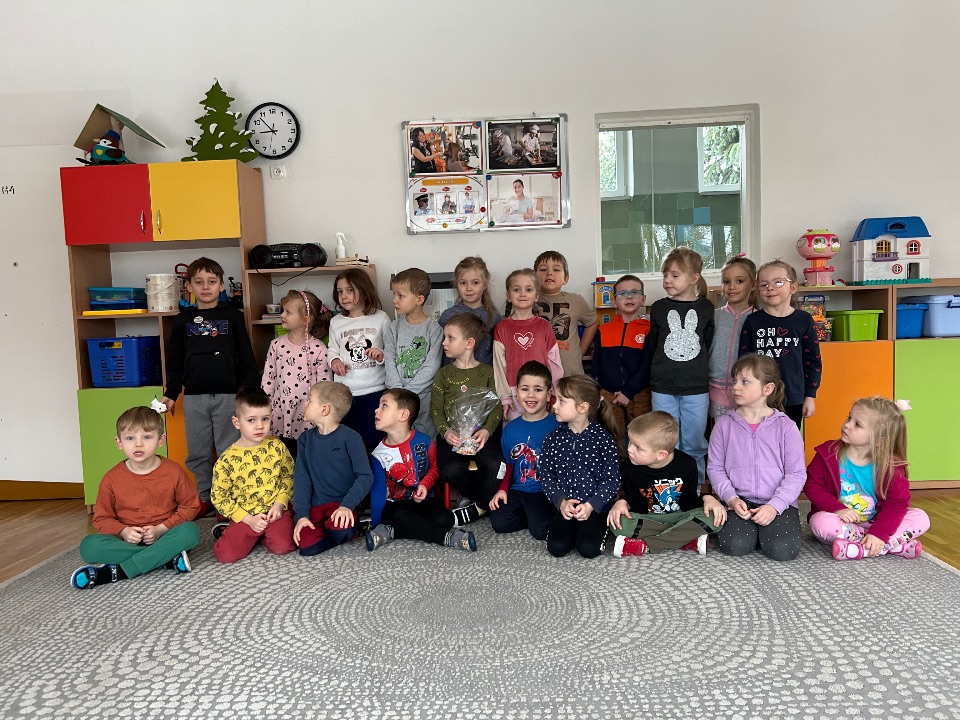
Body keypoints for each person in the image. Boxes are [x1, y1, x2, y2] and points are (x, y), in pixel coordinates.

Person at [160, 257, 259, 517]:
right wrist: (172, 392)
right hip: (194, 397)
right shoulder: (182, 321)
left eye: (212, 281)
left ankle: (228, 500)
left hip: (228, 396)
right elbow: (174, 360)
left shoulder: (232, 316)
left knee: (228, 450)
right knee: (199, 452)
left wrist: (250, 390)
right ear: (189, 287)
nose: (206, 287)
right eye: (199, 282)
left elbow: (245, 354)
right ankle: (205, 497)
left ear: (221, 285)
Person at [71, 407, 200, 590]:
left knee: (190, 532)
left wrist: (161, 529)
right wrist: (124, 531)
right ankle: (163, 559)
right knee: (89, 546)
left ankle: (120, 571)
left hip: (165, 535)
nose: (138, 444)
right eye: (130, 438)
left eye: (147, 437)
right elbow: (101, 518)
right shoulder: (111, 478)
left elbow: (190, 506)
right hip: (126, 541)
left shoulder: (174, 472)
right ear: (119, 442)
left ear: (161, 440)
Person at [805, 397, 929, 561]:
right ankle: (891, 545)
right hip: (842, 522)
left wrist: (879, 533)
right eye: (849, 418)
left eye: (857, 424)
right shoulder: (828, 453)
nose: (847, 425)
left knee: (921, 518)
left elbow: (897, 505)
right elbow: (812, 485)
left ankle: (862, 549)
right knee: (819, 521)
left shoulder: (891, 467)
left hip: (877, 522)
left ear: (878, 439)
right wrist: (837, 508)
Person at [707, 355, 805, 561]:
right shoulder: (723, 425)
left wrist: (774, 506)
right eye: (735, 380)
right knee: (734, 545)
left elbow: (796, 473)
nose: (735, 387)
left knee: (783, 550)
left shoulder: (786, 426)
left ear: (767, 389)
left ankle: (765, 531)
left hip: (778, 502)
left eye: (745, 381)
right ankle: (754, 532)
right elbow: (715, 468)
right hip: (739, 502)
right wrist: (731, 499)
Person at [367, 388, 477, 552]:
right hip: (397, 506)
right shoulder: (378, 454)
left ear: (403, 415)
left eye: (384, 405)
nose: (376, 410)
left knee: (445, 519)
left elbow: (434, 469)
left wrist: (425, 484)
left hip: (424, 502)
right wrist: (377, 525)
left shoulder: (424, 441)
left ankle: (393, 531)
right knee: (397, 516)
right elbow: (378, 491)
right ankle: (447, 538)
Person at [608, 412, 726, 557]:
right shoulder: (627, 468)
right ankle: (686, 538)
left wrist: (708, 498)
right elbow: (637, 504)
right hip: (650, 518)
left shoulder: (687, 464)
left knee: (716, 516)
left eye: (638, 447)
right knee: (617, 522)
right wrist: (622, 503)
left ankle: (647, 546)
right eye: (630, 441)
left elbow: (689, 502)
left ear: (661, 454)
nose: (629, 449)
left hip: (681, 515)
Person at [646, 247, 715, 489]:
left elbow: (706, 342)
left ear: (694, 278)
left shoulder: (706, 308)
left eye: (675, 275)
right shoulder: (658, 307)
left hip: (696, 387)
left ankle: (694, 488)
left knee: (694, 441)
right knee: (665, 440)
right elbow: (654, 344)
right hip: (663, 386)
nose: (667, 280)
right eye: (665, 275)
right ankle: (669, 488)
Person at [432, 312, 505, 526]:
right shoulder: (443, 374)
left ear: (469, 343)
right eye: (444, 337)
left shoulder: (488, 373)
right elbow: (436, 410)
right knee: (450, 469)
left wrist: (486, 431)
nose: (444, 343)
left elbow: (497, 407)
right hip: (453, 437)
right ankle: (481, 499)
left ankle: (477, 507)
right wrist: (446, 432)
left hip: (483, 436)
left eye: (450, 338)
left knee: (497, 465)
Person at [539, 375, 622, 559]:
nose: (554, 405)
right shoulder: (553, 438)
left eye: (562, 401)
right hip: (566, 507)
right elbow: (545, 475)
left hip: (596, 508)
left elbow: (612, 480)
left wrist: (592, 505)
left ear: (583, 407)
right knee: (557, 548)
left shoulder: (603, 439)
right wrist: (561, 502)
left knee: (588, 549)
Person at [210, 388, 296, 563]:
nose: (259, 426)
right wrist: (247, 519)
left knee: (283, 546)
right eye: (251, 420)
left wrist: (279, 504)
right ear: (237, 422)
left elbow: (288, 476)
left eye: (265, 419)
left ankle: (263, 535)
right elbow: (219, 496)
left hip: (275, 512)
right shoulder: (227, 460)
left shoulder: (277, 447)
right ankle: (233, 531)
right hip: (245, 515)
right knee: (226, 555)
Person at [292, 381, 374, 556]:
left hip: (342, 505)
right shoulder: (305, 440)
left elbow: (365, 476)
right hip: (316, 508)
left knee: (341, 531)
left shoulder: (351, 437)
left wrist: (347, 506)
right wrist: (302, 516)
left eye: (310, 400)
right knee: (306, 548)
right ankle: (337, 529)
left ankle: (349, 527)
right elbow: (301, 479)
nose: (305, 403)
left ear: (325, 410)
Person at [738, 260, 822, 430]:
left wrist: (810, 396)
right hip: (759, 397)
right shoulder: (752, 321)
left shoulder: (804, 320)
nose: (770, 288)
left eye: (778, 282)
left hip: (793, 397)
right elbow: (744, 362)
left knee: (787, 439)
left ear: (793, 287)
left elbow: (813, 362)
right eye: (764, 285)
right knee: (759, 439)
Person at [489, 361, 559, 540]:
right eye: (525, 389)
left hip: (543, 491)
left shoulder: (557, 426)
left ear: (549, 394)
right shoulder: (510, 429)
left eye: (538, 389)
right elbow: (508, 465)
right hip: (517, 489)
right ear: (517, 393)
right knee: (499, 522)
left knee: (540, 531)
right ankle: (531, 516)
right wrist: (502, 489)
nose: (531, 395)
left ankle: (537, 517)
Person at [261, 289, 333, 460]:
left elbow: (324, 385)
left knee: (306, 456)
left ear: (305, 319)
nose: (282, 315)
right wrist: (264, 407)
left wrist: (319, 412)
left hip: (307, 413)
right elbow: (268, 378)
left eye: (288, 312)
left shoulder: (319, 349)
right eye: (283, 310)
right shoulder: (276, 345)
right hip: (280, 410)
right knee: (282, 455)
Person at [327, 268, 391, 454]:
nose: (344, 296)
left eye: (349, 290)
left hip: (375, 392)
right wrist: (335, 361)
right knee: (350, 443)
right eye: (340, 291)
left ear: (363, 290)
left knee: (375, 441)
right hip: (345, 394)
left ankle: (377, 472)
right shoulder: (336, 322)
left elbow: (391, 350)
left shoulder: (381, 317)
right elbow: (332, 349)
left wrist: (380, 355)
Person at [493, 269, 564, 422]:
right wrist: (505, 397)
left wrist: (555, 394)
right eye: (516, 289)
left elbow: (554, 363)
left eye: (529, 289)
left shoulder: (544, 326)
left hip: (541, 391)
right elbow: (499, 365)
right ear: (508, 296)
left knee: (542, 431)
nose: (522, 294)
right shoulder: (502, 327)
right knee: (515, 431)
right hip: (513, 395)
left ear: (536, 296)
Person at [384, 268, 443, 438]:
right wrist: (398, 392)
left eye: (400, 296)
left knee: (424, 436)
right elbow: (389, 359)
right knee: (397, 435)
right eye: (394, 294)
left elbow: (431, 365)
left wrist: (409, 393)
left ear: (419, 299)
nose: (394, 300)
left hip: (423, 396)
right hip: (396, 396)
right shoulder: (393, 328)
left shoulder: (434, 329)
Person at [592, 274, 652, 429]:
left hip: (639, 394)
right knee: (612, 434)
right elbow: (596, 364)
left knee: (642, 435)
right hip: (608, 394)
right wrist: (601, 389)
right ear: (614, 301)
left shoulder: (649, 330)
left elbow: (647, 366)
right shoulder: (604, 330)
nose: (629, 297)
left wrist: (628, 392)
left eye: (635, 292)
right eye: (623, 293)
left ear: (643, 299)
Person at [533, 250, 599, 376]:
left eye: (556, 269)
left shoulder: (576, 300)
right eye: (543, 269)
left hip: (570, 371)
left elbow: (593, 322)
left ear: (566, 278)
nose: (549, 273)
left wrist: (580, 350)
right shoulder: (527, 300)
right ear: (534, 277)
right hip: (537, 374)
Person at [709, 255, 757, 419]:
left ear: (753, 285)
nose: (732, 287)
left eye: (739, 281)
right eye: (726, 281)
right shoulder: (713, 316)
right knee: (722, 429)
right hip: (716, 388)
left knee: (745, 430)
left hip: (748, 389)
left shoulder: (758, 319)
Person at [438, 256, 502, 367]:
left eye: (475, 283)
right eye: (463, 283)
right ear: (456, 284)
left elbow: (498, 353)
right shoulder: (447, 316)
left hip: (484, 375)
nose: (469, 288)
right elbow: (440, 351)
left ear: (484, 285)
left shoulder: (493, 317)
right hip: (453, 374)